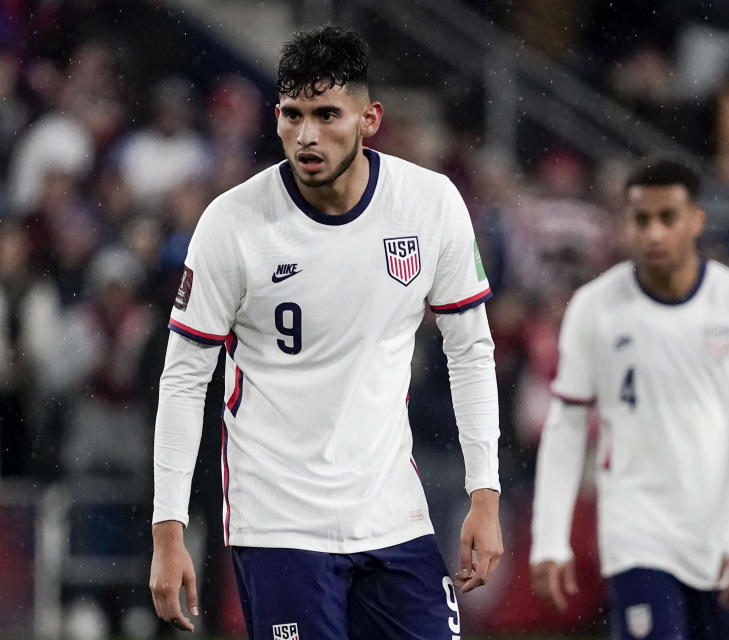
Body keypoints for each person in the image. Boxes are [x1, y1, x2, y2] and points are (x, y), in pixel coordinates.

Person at [148, 26, 503, 639]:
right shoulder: (231, 225)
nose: (306, 135)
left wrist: (485, 493)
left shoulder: (430, 204)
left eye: (327, 115)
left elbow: (470, 350)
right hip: (279, 524)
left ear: (370, 119)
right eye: (293, 115)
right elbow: (184, 379)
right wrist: (168, 530)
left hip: (393, 515)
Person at [529, 159, 729, 640]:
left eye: (668, 218)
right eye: (641, 219)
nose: (654, 233)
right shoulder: (594, 307)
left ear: (696, 221)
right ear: (624, 223)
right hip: (636, 530)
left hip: (722, 535)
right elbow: (566, 429)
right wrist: (549, 539)